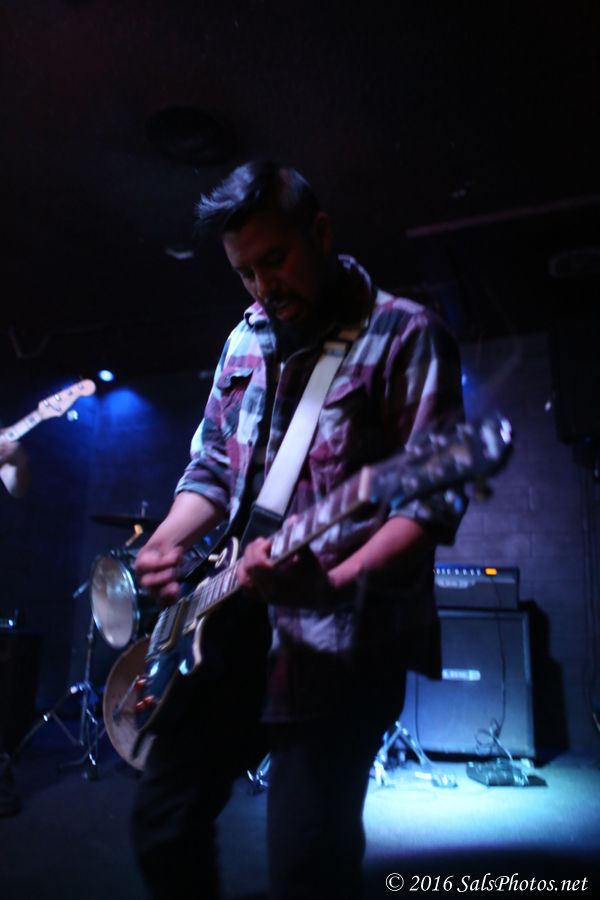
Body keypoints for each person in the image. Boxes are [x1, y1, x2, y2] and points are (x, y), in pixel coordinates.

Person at [132, 160, 465, 899]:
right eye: (244, 272)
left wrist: (331, 581)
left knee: (307, 869)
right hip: (232, 620)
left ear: (320, 233)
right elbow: (211, 467)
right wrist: (169, 538)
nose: (262, 287)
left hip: (341, 642)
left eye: (275, 260)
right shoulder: (243, 340)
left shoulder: (405, 335)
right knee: (161, 822)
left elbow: (427, 507)